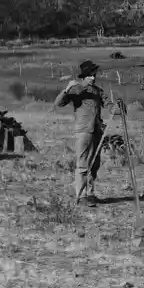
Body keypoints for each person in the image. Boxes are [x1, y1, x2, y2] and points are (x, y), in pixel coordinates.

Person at [54, 60, 110, 207]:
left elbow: (108, 103)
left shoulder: (98, 90)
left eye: (95, 73)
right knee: (83, 163)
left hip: (97, 130)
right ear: (86, 75)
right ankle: (81, 195)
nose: (95, 76)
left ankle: (90, 193)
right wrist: (67, 89)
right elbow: (59, 103)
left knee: (95, 163)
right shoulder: (76, 89)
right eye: (92, 73)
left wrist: (118, 106)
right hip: (84, 130)